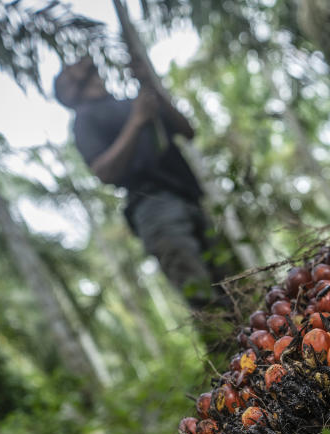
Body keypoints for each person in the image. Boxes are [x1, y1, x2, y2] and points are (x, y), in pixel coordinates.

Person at [53, 56, 228, 310]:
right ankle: (228, 344)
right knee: (200, 293)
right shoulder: (85, 120)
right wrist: (137, 121)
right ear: (69, 90)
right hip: (153, 206)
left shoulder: (130, 103)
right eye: (68, 71)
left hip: (189, 196)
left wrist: (150, 84)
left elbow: (187, 131)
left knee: (231, 283)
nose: (75, 65)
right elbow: (104, 172)